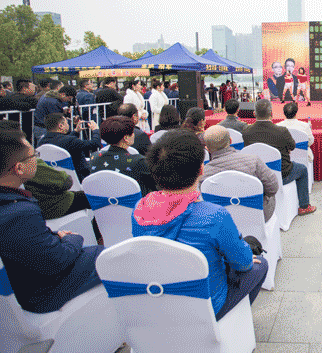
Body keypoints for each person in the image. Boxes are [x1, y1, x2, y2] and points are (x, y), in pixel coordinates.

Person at [132, 129, 267, 319]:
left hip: (159, 299)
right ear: (201, 170)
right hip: (207, 306)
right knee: (260, 264)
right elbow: (243, 264)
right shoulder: (214, 216)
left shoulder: (140, 208)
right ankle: (232, 320)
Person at [0, 129, 105, 314]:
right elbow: (58, 260)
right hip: (41, 293)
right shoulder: (19, 212)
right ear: (19, 168)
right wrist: (72, 239)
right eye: (34, 155)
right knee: (106, 257)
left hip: (24, 278)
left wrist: (54, 236)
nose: (36, 159)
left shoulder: (11, 205)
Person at [0, 119, 92, 220]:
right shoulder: (27, 211)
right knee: (94, 197)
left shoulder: (42, 141)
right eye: (34, 155)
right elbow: (65, 182)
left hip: (42, 204)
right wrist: (95, 131)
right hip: (53, 206)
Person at [242, 99, 316, 215]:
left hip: (256, 174)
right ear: (271, 113)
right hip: (282, 174)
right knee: (302, 169)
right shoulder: (281, 131)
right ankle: (304, 206)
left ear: (254, 114)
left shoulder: (246, 132)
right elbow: (292, 146)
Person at [201, 125, 278, 222]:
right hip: (258, 216)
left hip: (221, 221)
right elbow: (273, 188)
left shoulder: (204, 174)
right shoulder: (253, 160)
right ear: (230, 140)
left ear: (207, 148)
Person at [89, 116, 158, 195]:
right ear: (126, 138)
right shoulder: (138, 161)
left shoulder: (94, 157)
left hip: (101, 201)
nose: (134, 135)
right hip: (135, 202)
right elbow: (156, 185)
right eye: (132, 132)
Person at [38, 113, 101, 182]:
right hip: (78, 180)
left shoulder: (41, 143)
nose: (68, 125)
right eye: (67, 123)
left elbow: (61, 141)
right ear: (61, 126)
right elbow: (95, 143)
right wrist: (96, 130)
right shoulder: (70, 141)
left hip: (53, 181)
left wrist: (75, 131)